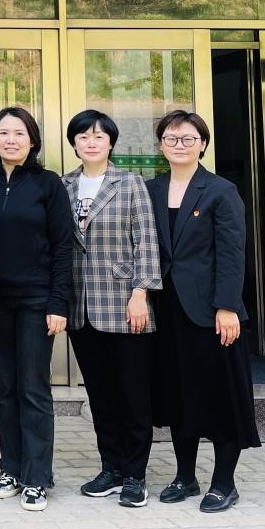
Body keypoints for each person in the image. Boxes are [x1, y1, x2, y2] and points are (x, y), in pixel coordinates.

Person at [146, 110, 260, 513]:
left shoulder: (220, 190)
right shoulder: (151, 189)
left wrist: (227, 306)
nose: (179, 145)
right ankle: (185, 477)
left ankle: (224, 483)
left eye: (188, 139)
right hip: (167, 310)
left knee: (220, 395)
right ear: (161, 145)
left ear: (203, 145)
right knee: (179, 393)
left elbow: (232, 253)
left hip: (212, 312)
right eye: (171, 138)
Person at [0, 107, 73, 512]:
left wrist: (58, 302)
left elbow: (64, 246)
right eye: (4, 132)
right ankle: (10, 469)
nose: (11, 139)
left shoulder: (48, 184)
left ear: (32, 141)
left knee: (33, 388)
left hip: (36, 301)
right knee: (4, 388)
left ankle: (37, 476)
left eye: (20, 133)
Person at [62, 109, 161, 508]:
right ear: (74, 143)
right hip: (81, 307)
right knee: (100, 395)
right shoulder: (64, 185)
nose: (91, 142)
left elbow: (146, 240)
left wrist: (141, 293)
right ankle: (111, 468)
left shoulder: (130, 183)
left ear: (111, 143)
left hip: (125, 304)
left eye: (99, 136)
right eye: (83, 136)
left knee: (132, 394)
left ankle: (135, 474)